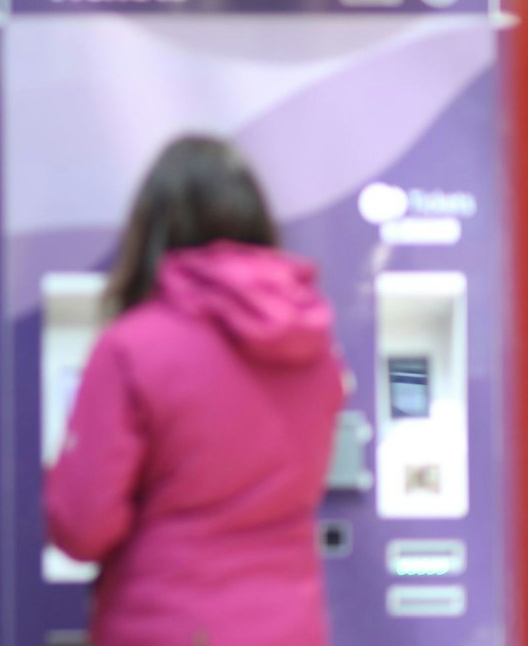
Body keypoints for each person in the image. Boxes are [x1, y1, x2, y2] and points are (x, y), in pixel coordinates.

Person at [45, 136, 344, 646]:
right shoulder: (314, 350)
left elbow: (82, 526)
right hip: (290, 627)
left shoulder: (132, 348)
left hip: (171, 627)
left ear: (152, 230)